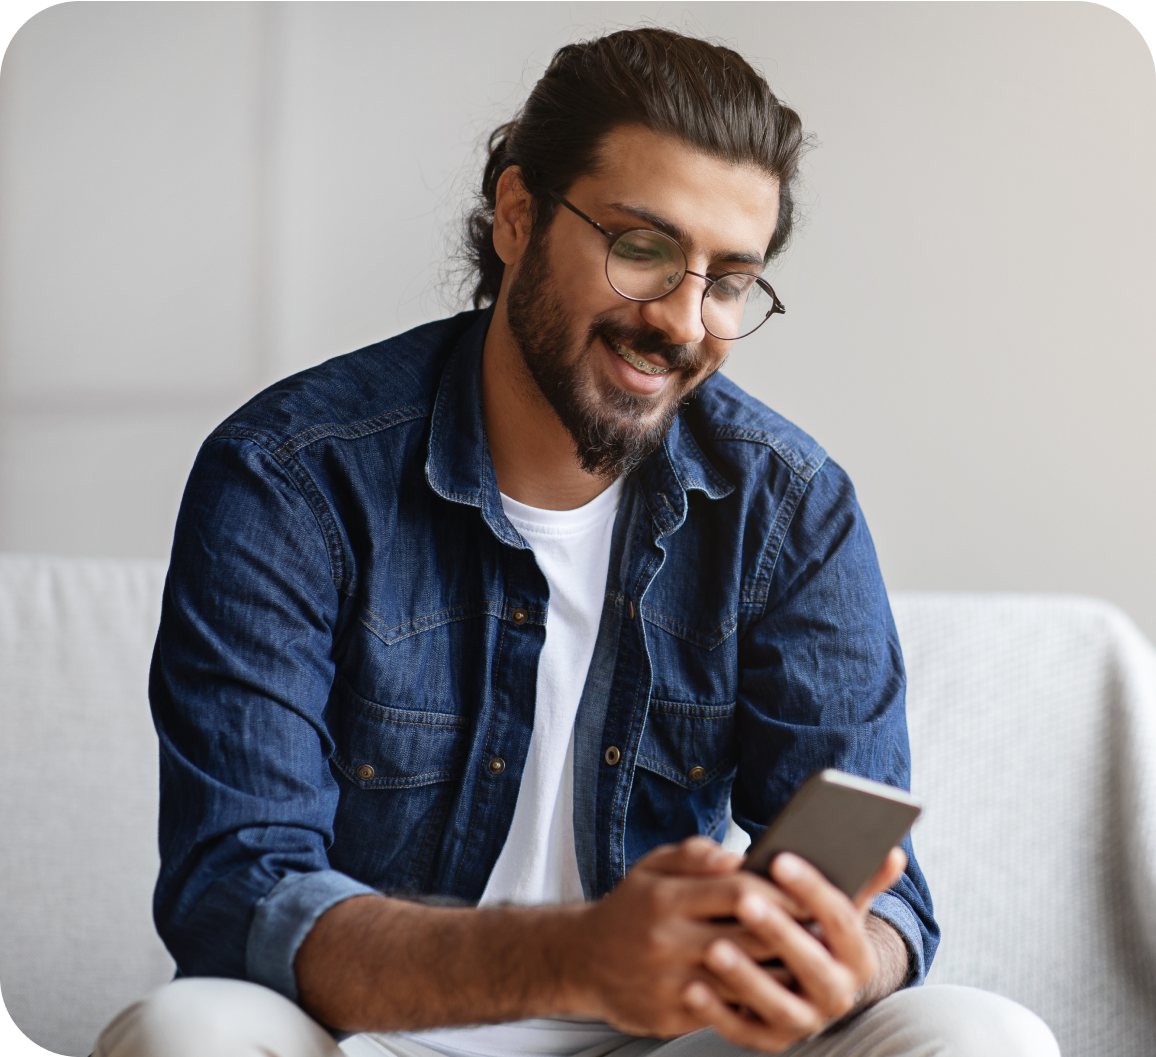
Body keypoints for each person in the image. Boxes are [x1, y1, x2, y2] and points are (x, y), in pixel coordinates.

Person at [96, 27, 1058, 1057]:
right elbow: (235, 891)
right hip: (373, 1026)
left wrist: (836, 959)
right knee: (186, 1030)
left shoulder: (790, 507)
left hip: (668, 1035)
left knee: (980, 1034)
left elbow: (886, 901)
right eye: (641, 250)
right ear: (518, 216)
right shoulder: (290, 475)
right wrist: (577, 956)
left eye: (729, 280)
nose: (683, 321)